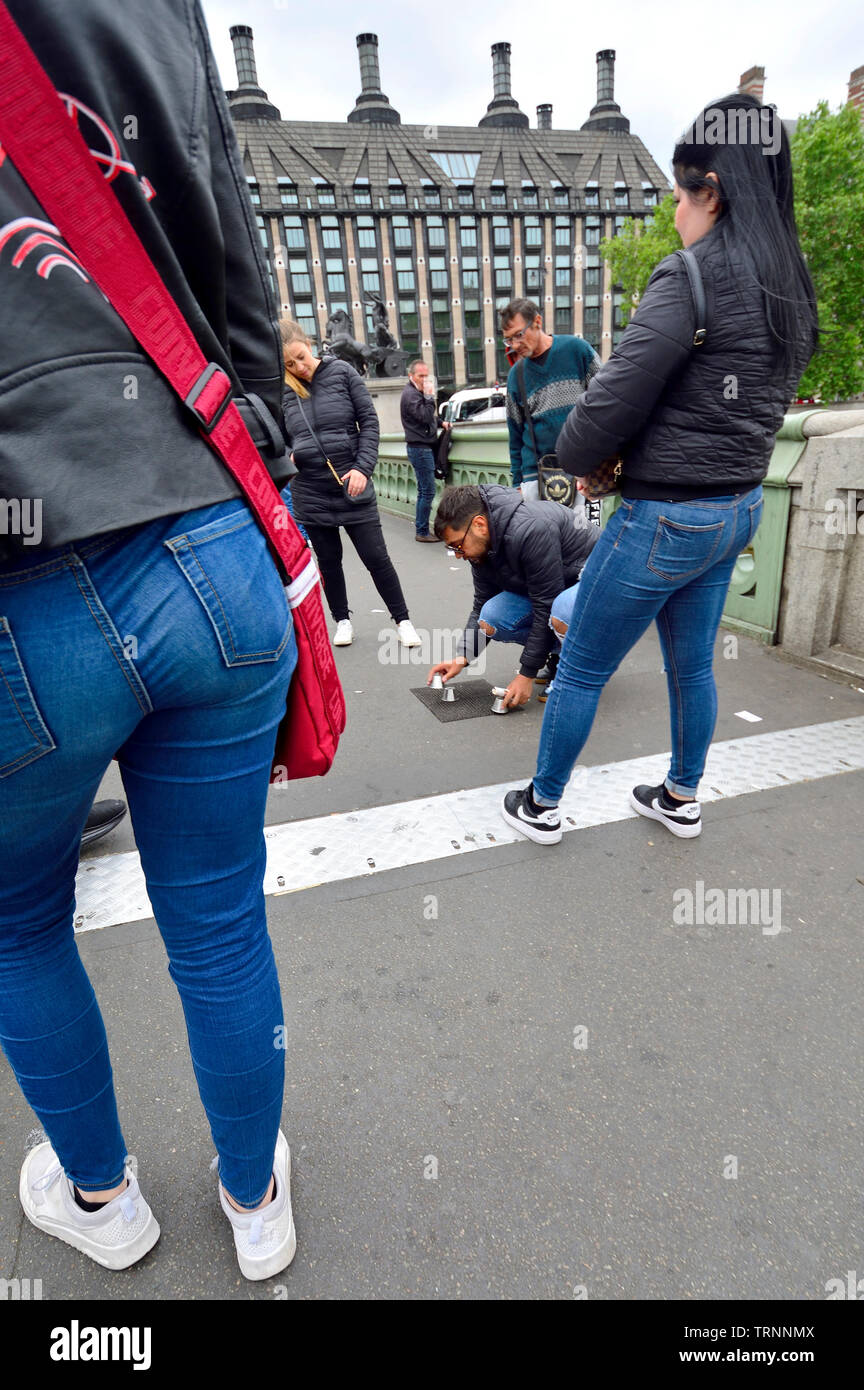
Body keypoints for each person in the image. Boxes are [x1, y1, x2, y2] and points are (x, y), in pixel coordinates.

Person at [0, 0, 308, 1279]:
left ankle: (104, 1200)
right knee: (222, 918)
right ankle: (256, 1206)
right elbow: (231, 260)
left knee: (17, 920)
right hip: (203, 517)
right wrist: (265, 482)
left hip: (20, 575)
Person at [501, 92, 818, 846]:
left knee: (580, 664)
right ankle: (680, 795)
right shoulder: (791, 282)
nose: (675, 211)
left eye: (680, 194)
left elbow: (606, 407)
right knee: (692, 667)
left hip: (665, 514)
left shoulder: (691, 277)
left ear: (712, 190)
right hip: (737, 506)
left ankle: (542, 805)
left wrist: (579, 459)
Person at [281, 321, 422, 648]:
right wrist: (288, 454)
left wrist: (362, 468)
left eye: (301, 357)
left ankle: (403, 620)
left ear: (309, 344)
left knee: (376, 558)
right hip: (311, 489)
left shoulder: (342, 372)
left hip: (352, 484)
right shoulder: (284, 390)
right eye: (289, 364)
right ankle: (342, 620)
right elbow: (279, 437)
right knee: (329, 562)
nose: (299, 368)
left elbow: (369, 423)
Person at [427, 484, 598, 707]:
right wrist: (463, 657)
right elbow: (482, 603)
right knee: (491, 616)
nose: (459, 555)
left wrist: (526, 675)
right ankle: (560, 653)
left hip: (601, 586)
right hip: (559, 588)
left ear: (479, 524)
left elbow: (545, 605)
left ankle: (578, 671)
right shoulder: (482, 548)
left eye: (458, 546)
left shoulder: (531, 529)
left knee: (561, 611)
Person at [502, 298, 601, 524]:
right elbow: (515, 435)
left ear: (537, 321)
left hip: (583, 472)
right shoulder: (516, 376)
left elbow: (607, 400)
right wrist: (518, 483)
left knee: (585, 544)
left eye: (519, 334)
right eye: (508, 339)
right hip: (534, 477)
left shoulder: (577, 351)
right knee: (543, 551)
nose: (515, 345)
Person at [400, 358, 447, 543]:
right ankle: (422, 531)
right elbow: (425, 416)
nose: (425, 379)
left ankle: (422, 529)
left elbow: (428, 417)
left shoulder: (414, 393)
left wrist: (441, 422)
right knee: (427, 491)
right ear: (412, 376)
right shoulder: (411, 395)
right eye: (421, 376)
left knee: (423, 490)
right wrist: (429, 397)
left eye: (427, 376)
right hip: (420, 448)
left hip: (420, 447)